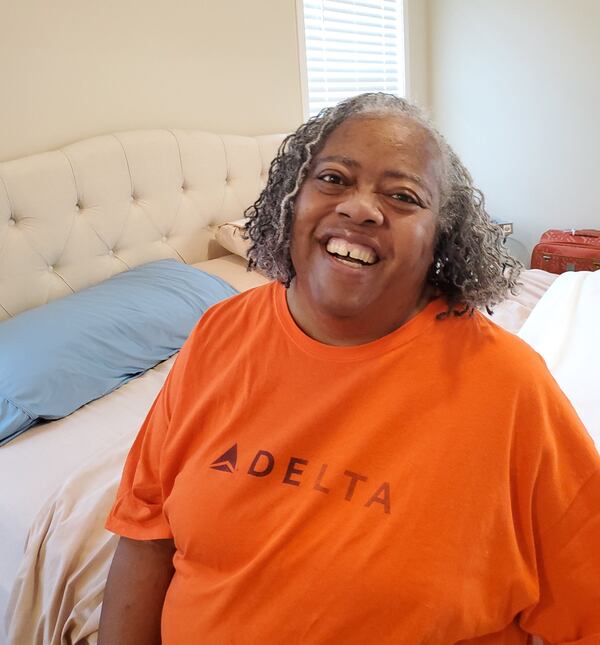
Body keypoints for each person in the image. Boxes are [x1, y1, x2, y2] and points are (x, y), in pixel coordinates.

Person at [98, 93, 600, 644]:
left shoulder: (510, 386)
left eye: (403, 195)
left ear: (441, 239)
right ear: (293, 199)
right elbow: (146, 532)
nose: (360, 208)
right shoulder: (219, 333)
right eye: (334, 179)